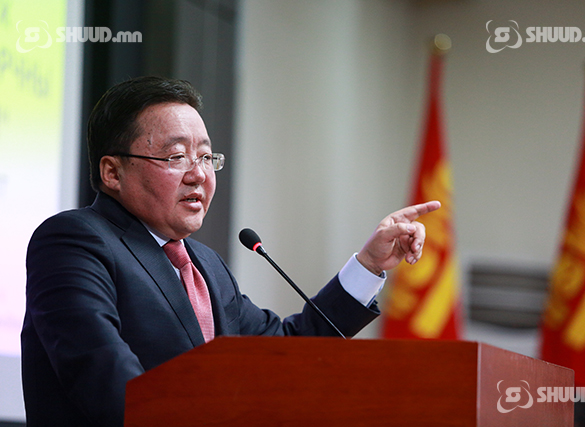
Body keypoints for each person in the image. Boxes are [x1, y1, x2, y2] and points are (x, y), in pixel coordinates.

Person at [21, 76, 441, 427]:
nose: (199, 175)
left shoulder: (206, 265)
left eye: (206, 157)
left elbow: (287, 354)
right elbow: (104, 375)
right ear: (113, 172)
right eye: (176, 156)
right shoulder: (74, 241)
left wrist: (368, 265)